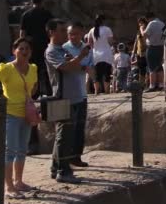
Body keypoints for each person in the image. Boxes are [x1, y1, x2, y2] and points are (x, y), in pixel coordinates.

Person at [0, 38, 37, 199]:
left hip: (26, 113)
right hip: (11, 114)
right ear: (14, 51)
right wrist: (2, 101)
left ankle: (18, 181)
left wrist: (28, 99)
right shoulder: (6, 68)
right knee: (10, 151)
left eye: (27, 48)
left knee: (22, 149)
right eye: (21, 48)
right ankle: (9, 187)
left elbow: (33, 87)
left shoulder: (33, 68)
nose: (24, 51)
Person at [45, 19, 90, 183]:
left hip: (75, 97)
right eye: (62, 30)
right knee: (63, 136)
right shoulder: (51, 51)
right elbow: (66, 67)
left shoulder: (63, 49)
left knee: (66, 136)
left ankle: (56, 168)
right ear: (52, 32)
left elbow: (77, 67)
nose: (66, 33)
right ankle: (63, 171)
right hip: (63, 98)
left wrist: (77, 61)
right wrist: (81, 57)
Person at [62, 22, 94, 167]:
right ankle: (64, 159)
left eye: (76, 33)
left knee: (80, 128)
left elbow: (90, 68)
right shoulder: (63, 48)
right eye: (70, 34)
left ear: (82, 34)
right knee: (67, 129)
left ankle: (76, 157)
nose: (73, 37)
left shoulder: (87, 49)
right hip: (67, 93)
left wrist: (82, 66)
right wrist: (81, 65)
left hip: (82, 92)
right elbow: (69, 67)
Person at [20, 0, 54, 97]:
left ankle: (33, 94)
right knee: (47, 70)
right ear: (42, 1)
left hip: (31, 48)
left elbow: (22, 34)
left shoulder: (26, 15)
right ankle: (49, 92)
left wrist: (22, 49)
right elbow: (52, 31)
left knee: (32, 71)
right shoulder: (47, 14)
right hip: (45, 46)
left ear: (31, 1)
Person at [88, 14, 114, 94]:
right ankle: (106, 91)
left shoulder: (92, 30)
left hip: (96, 55)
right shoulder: (107, 29)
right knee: (107, 74)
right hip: (106, 54)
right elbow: (110, 42)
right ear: (104, 21)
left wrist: (94, 48)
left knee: (97, 74)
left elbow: (89, 43)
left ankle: (96, 91)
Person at [140, 12, 164, 92]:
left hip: (152, 47)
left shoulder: (151, 23)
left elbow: (144, 35)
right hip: (161, 47)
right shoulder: (162, 23)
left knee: (151, 67)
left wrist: (141, 29)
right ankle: (161, 84)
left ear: (148, 18)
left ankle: (152, 86)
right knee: (159, 66)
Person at [132, 17, 148, 87]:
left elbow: (146, 39)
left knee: (147, 69)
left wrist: (142, 30)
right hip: (139, 53)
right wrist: (133, 52)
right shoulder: (138, 32)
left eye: (142, 23)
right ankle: (141, 85)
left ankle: (146, 84)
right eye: (140, 23)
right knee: (140, 69)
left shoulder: (147, 30)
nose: (141, 24)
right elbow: (136, 42)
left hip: (145, 52)